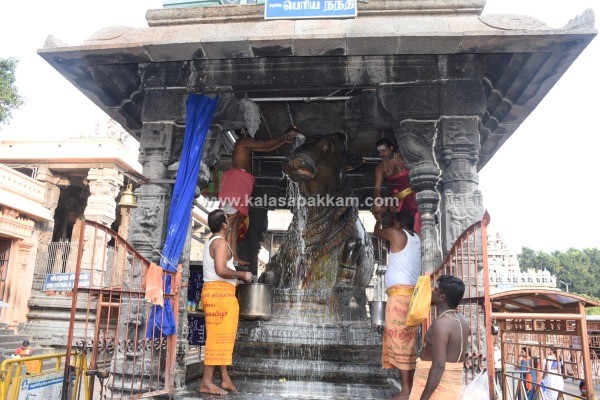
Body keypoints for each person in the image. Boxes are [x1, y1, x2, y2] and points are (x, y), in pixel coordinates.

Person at [218, 126, 299, 265]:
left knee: (235, 223)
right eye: (249, 131)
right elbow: (266, 145)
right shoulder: (242, 142)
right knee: (229, 222)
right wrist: (284, 137)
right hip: (235, 183)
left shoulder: (247, 145)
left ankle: (233, 256)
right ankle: (223, 254)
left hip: (241, 183)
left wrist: (284, 141)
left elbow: (267, 149)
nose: (252, 134)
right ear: (243, 132)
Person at [199, 209, 253, 395]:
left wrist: (234, 280)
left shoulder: (213, 242)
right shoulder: (220, 243)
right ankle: (206, 382)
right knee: (217, 338)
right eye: (227, 220)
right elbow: (221, 270)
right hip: (219, 296)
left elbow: (219, 272)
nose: (230, 222)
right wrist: (242, 275)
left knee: (222, 337)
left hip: (219, 293)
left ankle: (224, 378)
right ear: (223, 225)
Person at [372, 210, 421, 400]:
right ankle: (410, 389)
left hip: (400, 296)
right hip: (412, 296)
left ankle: (406, 391)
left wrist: (378, 217)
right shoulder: (417, 238)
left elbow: (377, 232)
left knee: (400, 342)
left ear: (398, 224)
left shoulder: (396, 233)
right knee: (408, 342)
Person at [408, 275, 469, 400]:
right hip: (450, 386)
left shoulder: (441, 323)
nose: (432, 291)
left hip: (434, 389)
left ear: (442, 296)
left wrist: (423, 398)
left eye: (435, 289)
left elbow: (439, 366)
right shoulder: (462, 320)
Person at [372, 138, 420, 233]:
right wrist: (377, 201)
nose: (381, 154)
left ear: (391, 148)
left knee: (415, 218)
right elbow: (376, 188)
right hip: (396, 201)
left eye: (384, 151)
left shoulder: (403, 156)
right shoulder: (379, 168)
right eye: (379, 152)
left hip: (412, 195)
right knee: (398, 225)